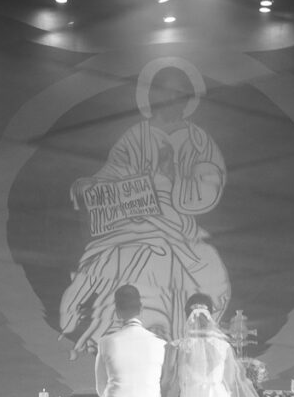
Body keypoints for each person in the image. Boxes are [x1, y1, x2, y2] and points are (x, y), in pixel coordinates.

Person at [60, 61, 230, 355]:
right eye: (165, 93)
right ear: (153, 98)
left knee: (211, 272)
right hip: (138, 220)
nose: (171, 101)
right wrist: (91, 183)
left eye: (178, 94)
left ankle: (188, 341)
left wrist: (175, 178)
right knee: (126, 262)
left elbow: (208, 188)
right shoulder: (136, 136)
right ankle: (128, 335)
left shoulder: (198, 140)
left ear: (187, 99)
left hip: (179, 223)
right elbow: (112, 174)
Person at [93, 285, 170, 397]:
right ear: (141, 309)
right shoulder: (160, 343)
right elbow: (164, 383)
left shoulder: (105, 342)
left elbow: (101, 386)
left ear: (117, 312)